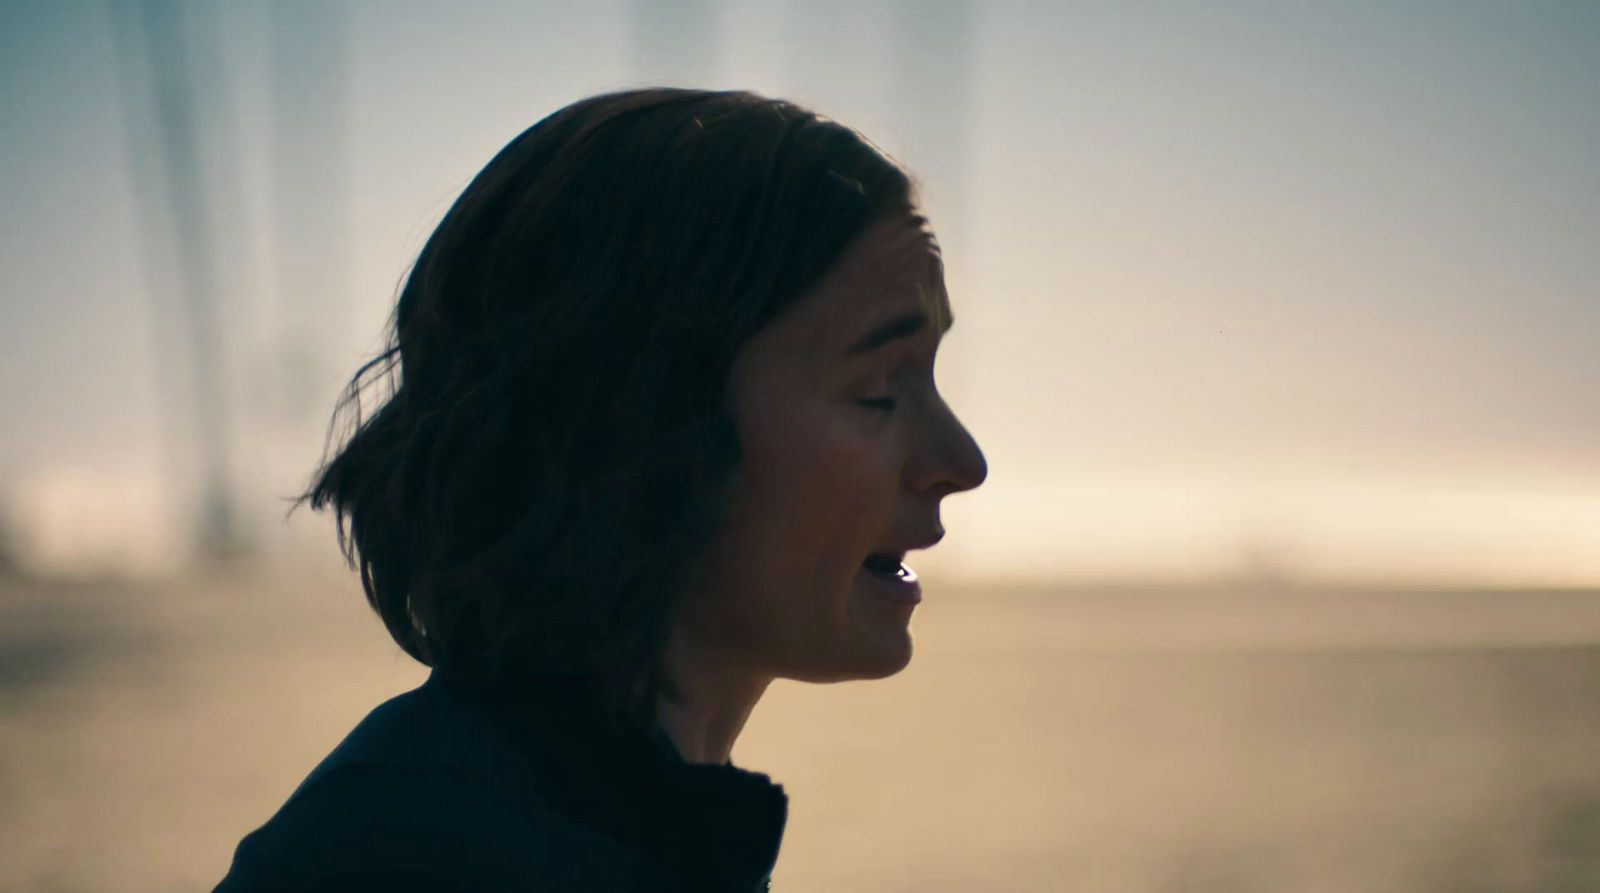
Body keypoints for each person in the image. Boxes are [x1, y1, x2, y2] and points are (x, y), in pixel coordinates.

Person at [212, 87, 987, 893]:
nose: (961, 462)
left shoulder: (565, 820)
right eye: (877, 391)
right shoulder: (426, 859)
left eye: (930, 376)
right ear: (639, 423)